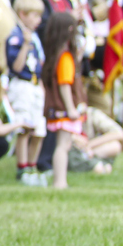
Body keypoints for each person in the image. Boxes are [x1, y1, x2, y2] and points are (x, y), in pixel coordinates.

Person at [6, 0, 48, 186]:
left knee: (39, 128)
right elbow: (16, 66)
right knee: (25, 127)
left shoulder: (36, 38)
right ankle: (22, 167)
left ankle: (32, 165)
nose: (38, 20)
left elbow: (40, 64)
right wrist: (24, 44)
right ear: (22, 14)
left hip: (34, 84)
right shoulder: (15, 36)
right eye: (35, 15)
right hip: (21, 84)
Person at [42, 11, 86, 190]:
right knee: (63, 145)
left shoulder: (55, 54)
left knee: (62, 144)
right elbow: (65, 84)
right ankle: (60, 182)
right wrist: (71, 108)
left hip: (56, 106)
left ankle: (60, 180)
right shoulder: (65, 57)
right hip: (64, 107)